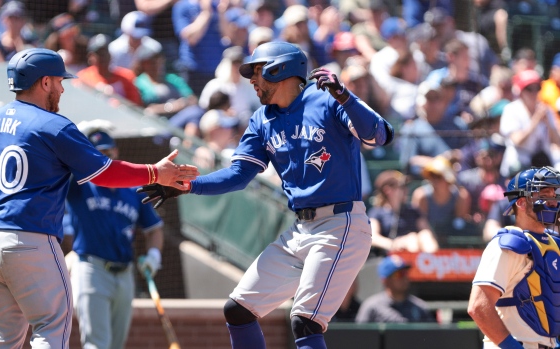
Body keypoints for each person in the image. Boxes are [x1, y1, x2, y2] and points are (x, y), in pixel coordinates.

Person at [139, 41, 394, 349]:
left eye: (258, 72)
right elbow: (237, 175)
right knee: (238, 310)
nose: (252, 81)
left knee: (306, 320)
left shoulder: (326, 100)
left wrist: (345, 96)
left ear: (280, 69)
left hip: (341, 224)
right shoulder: (262, 120)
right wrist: (190, 185)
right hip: (301, 228)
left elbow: (379, 134)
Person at [0, 47, 198, 349]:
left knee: (3, 341)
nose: (62, 88)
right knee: (51, 329)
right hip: (29, 241)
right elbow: (105, 173)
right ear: (44, 82)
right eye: (59, 80)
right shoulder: (52, 125)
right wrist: (155, 173)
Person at [65, 123, 165, 349]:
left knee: (116, 345)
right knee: (97, 344)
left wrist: (153, 256)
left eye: (109, 152)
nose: (106, 157)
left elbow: (154, 229)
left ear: (116, 152)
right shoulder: (81, 184)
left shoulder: (132, 188)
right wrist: (78, 137)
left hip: (125, 273)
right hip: (92, 269)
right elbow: (65, 163)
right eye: (99, 153)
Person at [468, 166, 560, 349]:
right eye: (544, 194)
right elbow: (478, 306)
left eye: (554, 194)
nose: (552, 201)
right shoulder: (509, 244)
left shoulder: (554, 243)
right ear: (521, 202)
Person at [355, 255, 434, 323]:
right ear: (386, 280)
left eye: (405, 273)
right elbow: (360, 337)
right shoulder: (372, 307)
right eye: (399, 274)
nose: (404, 277)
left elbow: (431, 337)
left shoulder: (419, 307)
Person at [76, 33, 142, 106]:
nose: (103, 56)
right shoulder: (83, 77)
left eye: (105, 52)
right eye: (99, 53)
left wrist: (118, 102)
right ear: (91, 57)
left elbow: (135, 106)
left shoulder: (126, 76)